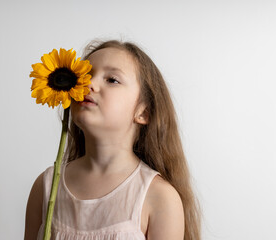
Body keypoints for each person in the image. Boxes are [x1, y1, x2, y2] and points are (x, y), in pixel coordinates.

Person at [24, 40, 201, 240]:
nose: (87, 84)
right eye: (85, 75)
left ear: (143, 112)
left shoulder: (160, 199)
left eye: (112, 80)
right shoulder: (45, 188)